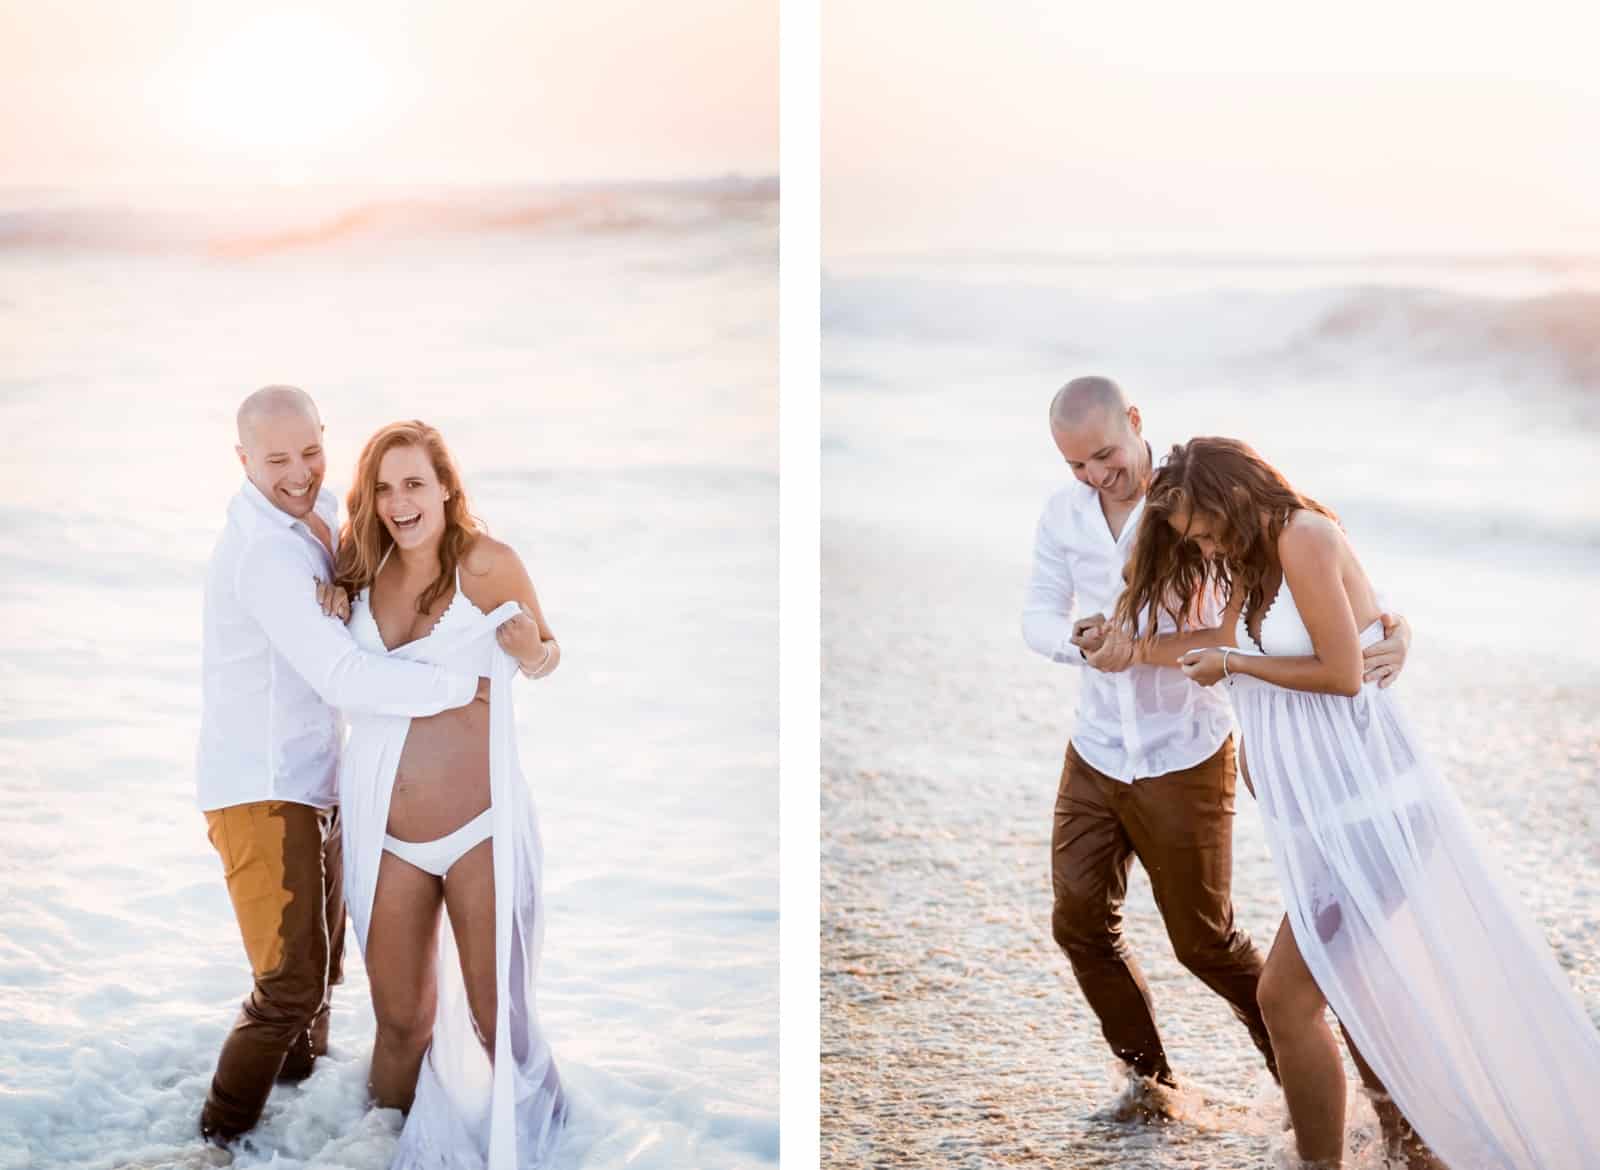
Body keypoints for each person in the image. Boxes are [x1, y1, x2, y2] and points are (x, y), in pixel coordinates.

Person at [1114, 436, 1600, 1168]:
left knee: (1285, 996)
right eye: (1193, 539)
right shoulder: (1255, 556)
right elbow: (1216, 636)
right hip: (1324, 816)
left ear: (1231, 496)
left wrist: (1236, 665)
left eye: (1205, 529)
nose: (1204, 546)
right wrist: (1126, 645)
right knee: (1356, 995)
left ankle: (1328, 1163)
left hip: (1374, 812)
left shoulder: (1306, 536)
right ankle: (1414, 1150)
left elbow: (1342, 673)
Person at [1021, 377, 1412, 1117]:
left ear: (1135, 422)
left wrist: (1394, 628)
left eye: (1104, 456)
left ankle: (1300, 1072)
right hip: (1097, 745)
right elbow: (1039, 611)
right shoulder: (1062, 515)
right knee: (1076, 921)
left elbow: (1311, 580)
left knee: (1203, 943)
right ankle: (1152, 1086)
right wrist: (1082, 649)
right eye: (1077, 466)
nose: (1096, 476)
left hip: (1184, 749)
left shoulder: (1198, 504)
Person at [196, 386, 489, 1143]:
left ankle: (293, 1109)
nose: (298, 473)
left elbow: (376, 568)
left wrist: (347, 587)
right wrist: (459, 683)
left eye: (310, 451)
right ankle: (214, 1141)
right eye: (276, 461)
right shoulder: (265, 553)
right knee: (288, 984)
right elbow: (342, 678)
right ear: (242, 461)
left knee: (320, 977)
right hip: (261, 788)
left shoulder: (316, 510)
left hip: (313, 779)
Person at [331, 420, 565, 1169]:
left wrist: (531, 650)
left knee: (504, 1023)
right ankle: (370, 1151)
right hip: (388, 835)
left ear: (445, 488)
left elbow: (547, 654)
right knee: (400, 1022)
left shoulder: (487, 565)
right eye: (385, 487)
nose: (400, 502)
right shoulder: (359, 569)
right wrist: (328, 601)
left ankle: (560, 1148)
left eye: (414, 483)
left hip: (480, 828)